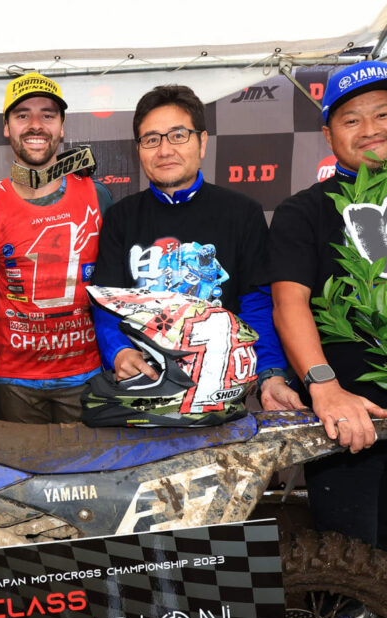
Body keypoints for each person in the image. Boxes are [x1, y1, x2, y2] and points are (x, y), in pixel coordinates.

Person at [265, 61, 387, 555]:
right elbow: (288, 303)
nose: (370, 129)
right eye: (352, 119)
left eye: (383, 114)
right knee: (348, 554)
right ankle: (343, 606)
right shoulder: (303, 212)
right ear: (329, 134)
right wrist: (324, 388)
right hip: (346, 416)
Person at [89, 85, 298, 411]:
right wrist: (119, 351)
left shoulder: (242, 213)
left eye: (178, 135)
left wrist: (271, 374)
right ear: (139, 149)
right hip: (145, 387)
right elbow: (106, 303)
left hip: (221, 389)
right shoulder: (120, 217)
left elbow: (257, 303)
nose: (164, 150)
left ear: (202, 143)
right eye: (151, 139)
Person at [0, 73, 114, 423]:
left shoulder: (98, 196)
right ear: (6, 128)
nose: (36, 125)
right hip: (16, 380)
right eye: (23, 115)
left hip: (88, 373)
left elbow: (115, 286)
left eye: (47, 115)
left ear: (62, 127)